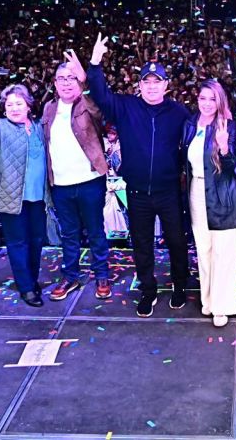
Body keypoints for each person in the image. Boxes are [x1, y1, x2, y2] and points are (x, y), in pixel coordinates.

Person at [75, 33, 192, 318]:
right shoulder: (126, 106)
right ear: (139, 86)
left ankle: (179, 286)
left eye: (157, 82)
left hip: (169, 192)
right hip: (137, 191)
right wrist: (95, 63)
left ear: (166, 85)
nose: (152, 87)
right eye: (147, 82)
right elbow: (100, 94)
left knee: (177, 241)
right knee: (142, 244)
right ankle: (148, 291)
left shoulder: (179, 112)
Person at [0, 84, 50, 308]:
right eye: (9, 104)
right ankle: (25, 287)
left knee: (36, 241)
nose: (14, 108)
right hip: (11, 197)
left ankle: (32, 280)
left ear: (28, 105)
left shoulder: (38, 127)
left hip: (38, 196)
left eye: (19, 103)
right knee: (18, 243)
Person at [43, 58, 112, 303]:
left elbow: (99, 107)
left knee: (95, 230)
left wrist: (86, 79)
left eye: (71, 78)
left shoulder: (87, 103)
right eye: (61, 78)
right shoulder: (49, 109)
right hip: (60, 184)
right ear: (54, 83)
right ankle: (71, 275)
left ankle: (102, 275)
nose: (66, 83)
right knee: (69, 233)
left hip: (89, 180)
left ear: (78, 81)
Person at [183, 80, 236, 327]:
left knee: (224, 253)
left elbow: (230, 168)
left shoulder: (227, 126)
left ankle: (222, 306)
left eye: (212, 99)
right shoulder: (190, 124)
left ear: (220, 101)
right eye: (202, 98)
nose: (207, 103)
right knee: (204, 250)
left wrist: (223, 147)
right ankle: (208, 299)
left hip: (223, 195)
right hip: (196, 191)